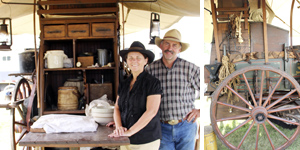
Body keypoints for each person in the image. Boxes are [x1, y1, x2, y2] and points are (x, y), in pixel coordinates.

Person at [145, 29, 200, 150]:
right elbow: (141, 97)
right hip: (161, 127)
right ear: (161, 46)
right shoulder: (150, 70)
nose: (170, 48)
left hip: (186, 126)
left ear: (179, 49)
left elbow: (207, 89)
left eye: (174, 45)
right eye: (167, 44)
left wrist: (199, 111)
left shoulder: (190, 68)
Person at [108, 41, 162, 150]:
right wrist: (119, 128)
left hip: (146, 140)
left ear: (145, 60)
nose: (134, 61)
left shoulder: (153, 83)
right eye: (130, 58)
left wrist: (130, 132)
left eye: (138, 57)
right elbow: (117, 107)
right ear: (127, 61)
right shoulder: (124, 84)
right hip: (125, 139)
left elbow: (151, 111)